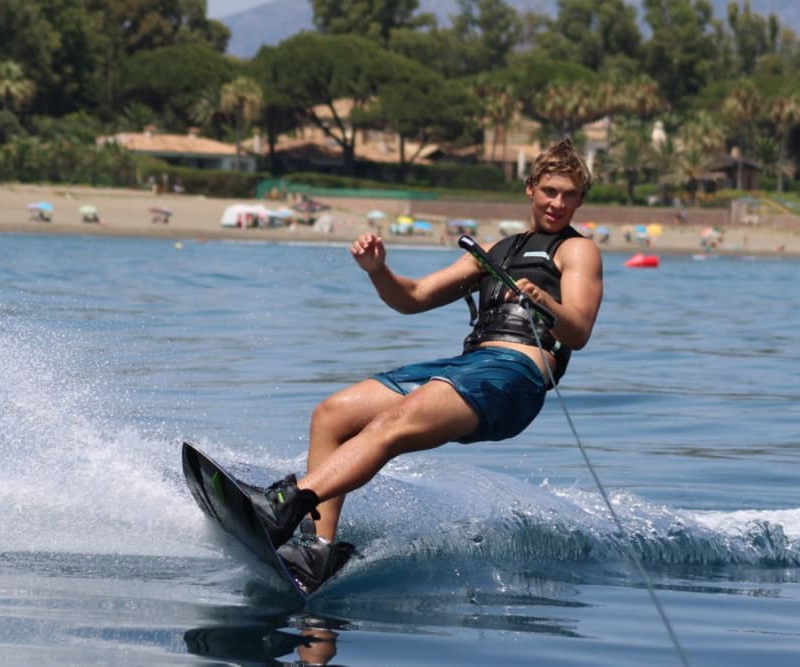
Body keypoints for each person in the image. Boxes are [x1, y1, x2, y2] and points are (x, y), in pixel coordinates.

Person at [239, 137, 604, 593]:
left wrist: (545, 302)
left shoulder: (578, 250)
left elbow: (579, 331)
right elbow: (412, 298)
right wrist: (378, 270)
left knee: (393, 423)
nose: (558, 203)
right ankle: (318, 550)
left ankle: (284, 504)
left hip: (515, 376)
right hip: (471, 367)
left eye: (570, 195)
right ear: (530, 188)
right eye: (550, 191)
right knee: (332, 415)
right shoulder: (494, 251)